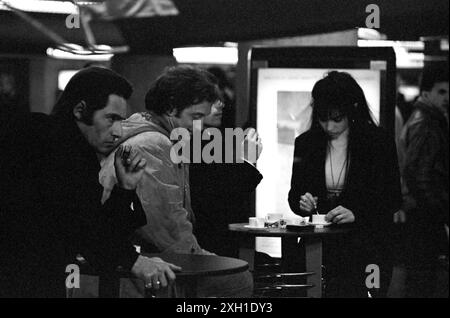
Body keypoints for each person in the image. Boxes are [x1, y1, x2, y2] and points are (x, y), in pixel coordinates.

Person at [0, 67, 179, 297]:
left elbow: (98, 225)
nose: (118, 131)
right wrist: (135, 262)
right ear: (80, 110)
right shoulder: (49, 140)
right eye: (111, 118)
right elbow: (80, 223)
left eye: (121, 121)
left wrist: (125, 188)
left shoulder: (75, 150)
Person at [100, 65, 254, 297]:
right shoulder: (153, 144)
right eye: (195, 117)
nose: (199, 126)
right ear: (171, 108)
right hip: (130, 267)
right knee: (237, 280)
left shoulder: (151, 135)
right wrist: (201, 258)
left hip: (125, 258)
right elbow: (166, 227)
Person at [288, 71, 402, 297]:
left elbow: (393, 197)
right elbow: (294, 196)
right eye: (322, 118)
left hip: (369, 247)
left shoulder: (377, 142)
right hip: (321, 248)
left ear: (352, 111)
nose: (329, 126)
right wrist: (303, 202)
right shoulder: (307, 143)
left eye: (336, 118)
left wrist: (357, 213)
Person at [190, 86, 263, 257]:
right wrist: (246, 161)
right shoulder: (191, 143)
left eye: (220, 99)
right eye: (212, 101)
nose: (220, 105)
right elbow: (222, 208)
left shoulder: (213, 141)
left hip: (215, 247)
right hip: (206, 250)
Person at [397, 65, 449, 297]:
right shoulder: (426, 124)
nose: (447, 98)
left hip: (419, 212)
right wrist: (440, 208)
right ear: (426, 93)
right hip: (423, 214)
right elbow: (417, 173)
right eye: (442, 92)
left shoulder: (424, 119)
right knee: (424, 278)